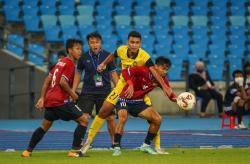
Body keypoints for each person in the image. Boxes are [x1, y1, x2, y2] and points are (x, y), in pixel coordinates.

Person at [80, 31, 173, 155]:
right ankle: (88, 141)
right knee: (104, 111)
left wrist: (164, 87)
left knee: (154, 118)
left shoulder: (145, 56)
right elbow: (113, 55)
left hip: (139, 90)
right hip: (122, 85)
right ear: (127, 42)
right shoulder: (121, 50)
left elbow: (154, 72)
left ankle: (156, 147)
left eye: (137, 42)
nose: (134, 45)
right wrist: (103, 63)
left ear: (140, 44)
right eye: (132, 42)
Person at [21, 39, 86, 158]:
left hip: (50, 100)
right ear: (70, 50)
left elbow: (47, 81)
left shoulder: (60, 62)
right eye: (77, 49)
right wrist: (73, 94)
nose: (80, 51)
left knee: (44, 126)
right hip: (60, 101)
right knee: (83, 120)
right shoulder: (70, 64)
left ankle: (28, 151)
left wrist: (42, 98)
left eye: (81, 49)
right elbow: (62, 82)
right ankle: (74, 151)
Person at [112, 56, 177, 156]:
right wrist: (130, 84)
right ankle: (116, 147)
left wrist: (179, 101)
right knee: (123, 118)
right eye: (163, 68)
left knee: (157, 119)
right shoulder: (143, 70)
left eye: (167, 69)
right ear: (155, 67)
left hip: (138, 102)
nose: (165, 71)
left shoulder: (162, 79)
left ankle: (145, 146)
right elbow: (125, 72)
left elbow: (170, 94)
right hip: (124, 99)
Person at [72, 32, 119, 148]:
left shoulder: (108, 56)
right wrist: (72, 90)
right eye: (92, 42)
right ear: (88, 44)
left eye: (97, 42)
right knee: (84, 117)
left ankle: (114, 143)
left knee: (111, 118)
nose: (94, 44)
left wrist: (119, 90)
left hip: (105, 92)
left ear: (101, 43)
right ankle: (82, 142)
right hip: (87, 92)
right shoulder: (83, 57)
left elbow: (113, 74)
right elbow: (78, 74)